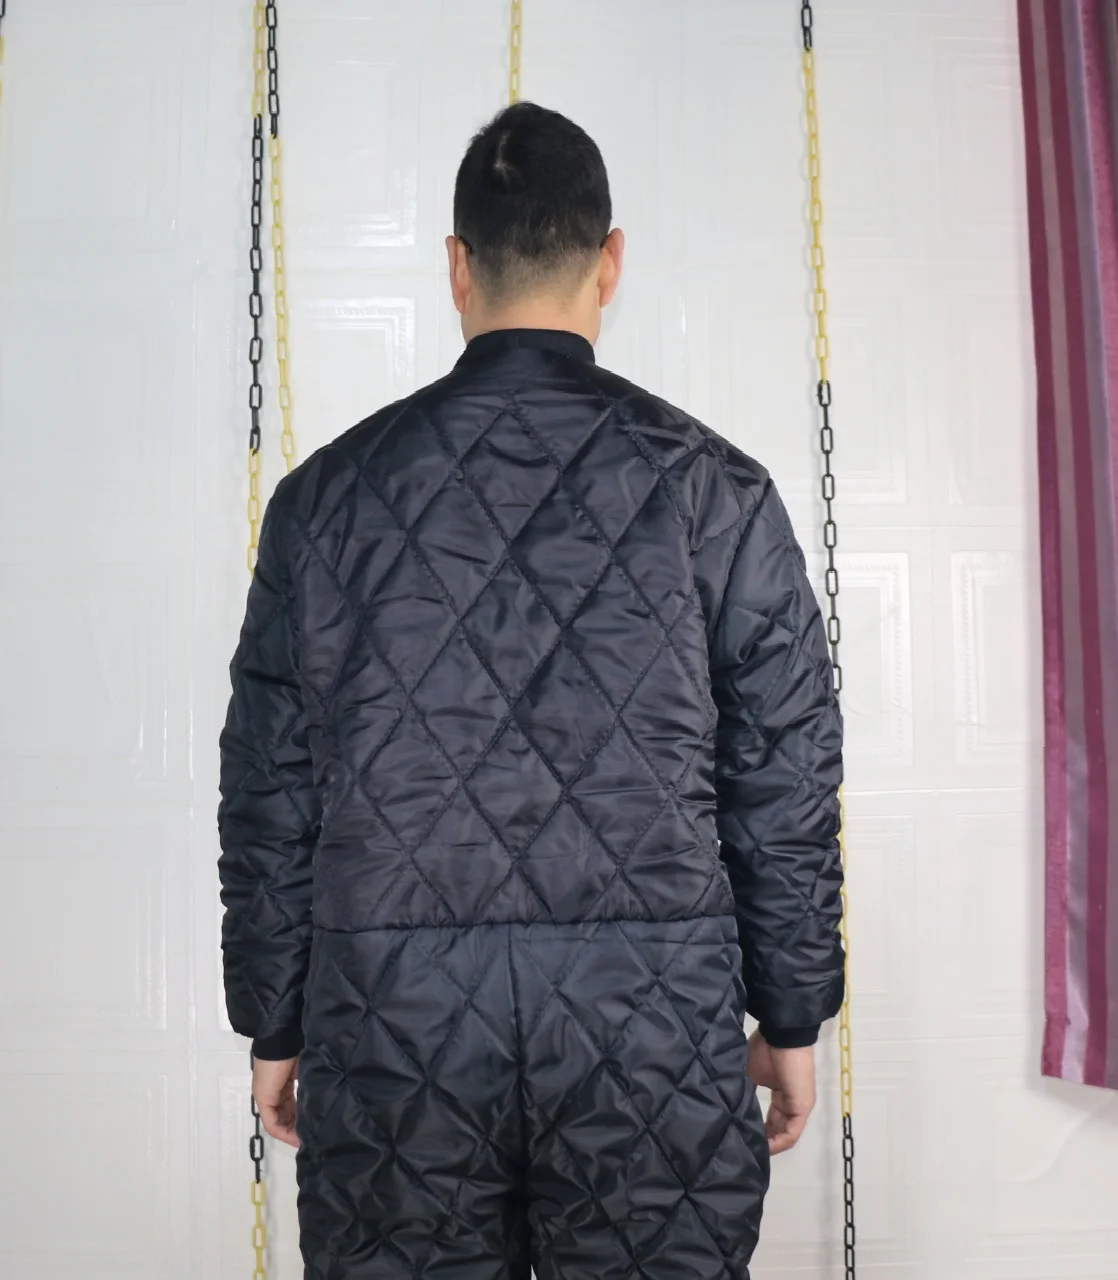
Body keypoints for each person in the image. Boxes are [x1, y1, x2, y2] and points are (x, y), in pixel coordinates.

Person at [218, 101, 845, 1280]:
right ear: (611, 261)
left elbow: (271, 786)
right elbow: (787, 776)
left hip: (395, 1030)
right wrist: (794, 1012)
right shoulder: (718, 492)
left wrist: (276, 1018)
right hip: (650, 1029)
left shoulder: (324, 502)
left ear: (457, 265)